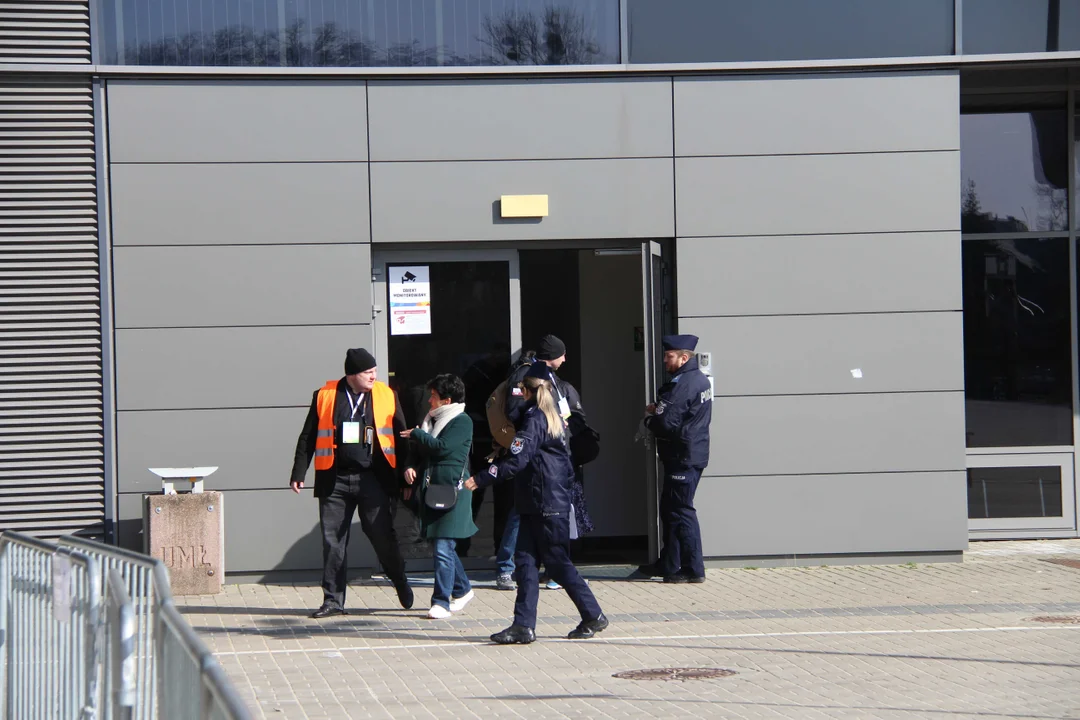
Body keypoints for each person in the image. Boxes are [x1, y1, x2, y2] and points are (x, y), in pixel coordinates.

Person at [465, 363, 608, 645]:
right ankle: (523, 625)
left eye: (519, 390)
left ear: (527, 391)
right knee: (526, 563)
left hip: (544, 502)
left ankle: (593, 614)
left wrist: (481, 478)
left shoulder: (534, 419)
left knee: (556, 562)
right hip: (539, 500)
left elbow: (517, 460)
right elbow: (564, 465)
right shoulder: (550, 416)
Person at [290, 348, 414, 618]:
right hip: (335, 480)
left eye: (374, 370)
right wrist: (299, 471)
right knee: (333, 542)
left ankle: (399, 579)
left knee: (381, 537)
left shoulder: (386, 395)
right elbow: (308, 436)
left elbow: (401, 434)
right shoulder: (325, 396)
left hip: (374, 479)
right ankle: (333, 600)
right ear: (352, 374)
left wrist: (405, 472)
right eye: (368, 372)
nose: (374, 376)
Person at [493, 335, 594, 592]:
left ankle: (553, 570)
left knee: (550, 513)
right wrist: (542, 422)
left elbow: (570, 412)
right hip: (533, 454)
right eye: (562, 354)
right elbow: (515, 411)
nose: (565, 359)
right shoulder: (527, 375)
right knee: (520, 512)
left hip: (554, 456)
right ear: (552, 355)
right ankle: (506, 568)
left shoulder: (555, 381)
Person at [632, 335, 712, 584]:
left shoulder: (685, 383)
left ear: (684, 357)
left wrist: (649, 420)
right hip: (688, 454)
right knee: (671, 509)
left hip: (683, 456)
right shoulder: (695, 380)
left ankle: (692, 568)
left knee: (681, 510)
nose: (665, 360)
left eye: (669, 356)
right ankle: (669, 564)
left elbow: (667, 422)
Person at [400, 374, 477, 620]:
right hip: (432, 488)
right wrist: (410, 465)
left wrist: (417, 435)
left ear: (447, 399)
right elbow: (422, 451)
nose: (429, 400)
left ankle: (441, 602)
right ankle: (463, 589)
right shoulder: (430, 420)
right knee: (442, 546)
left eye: (433, 396)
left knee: (443, 547)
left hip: (452, 490)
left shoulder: (461, 421)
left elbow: (441, 447)